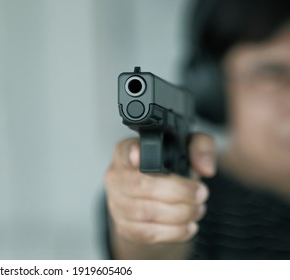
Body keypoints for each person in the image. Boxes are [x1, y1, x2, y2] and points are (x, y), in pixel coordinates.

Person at [103, 0, 290, 259]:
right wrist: (149, 223)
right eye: (271, 73)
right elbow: (152, 258)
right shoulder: (187, 197)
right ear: (212, 89)